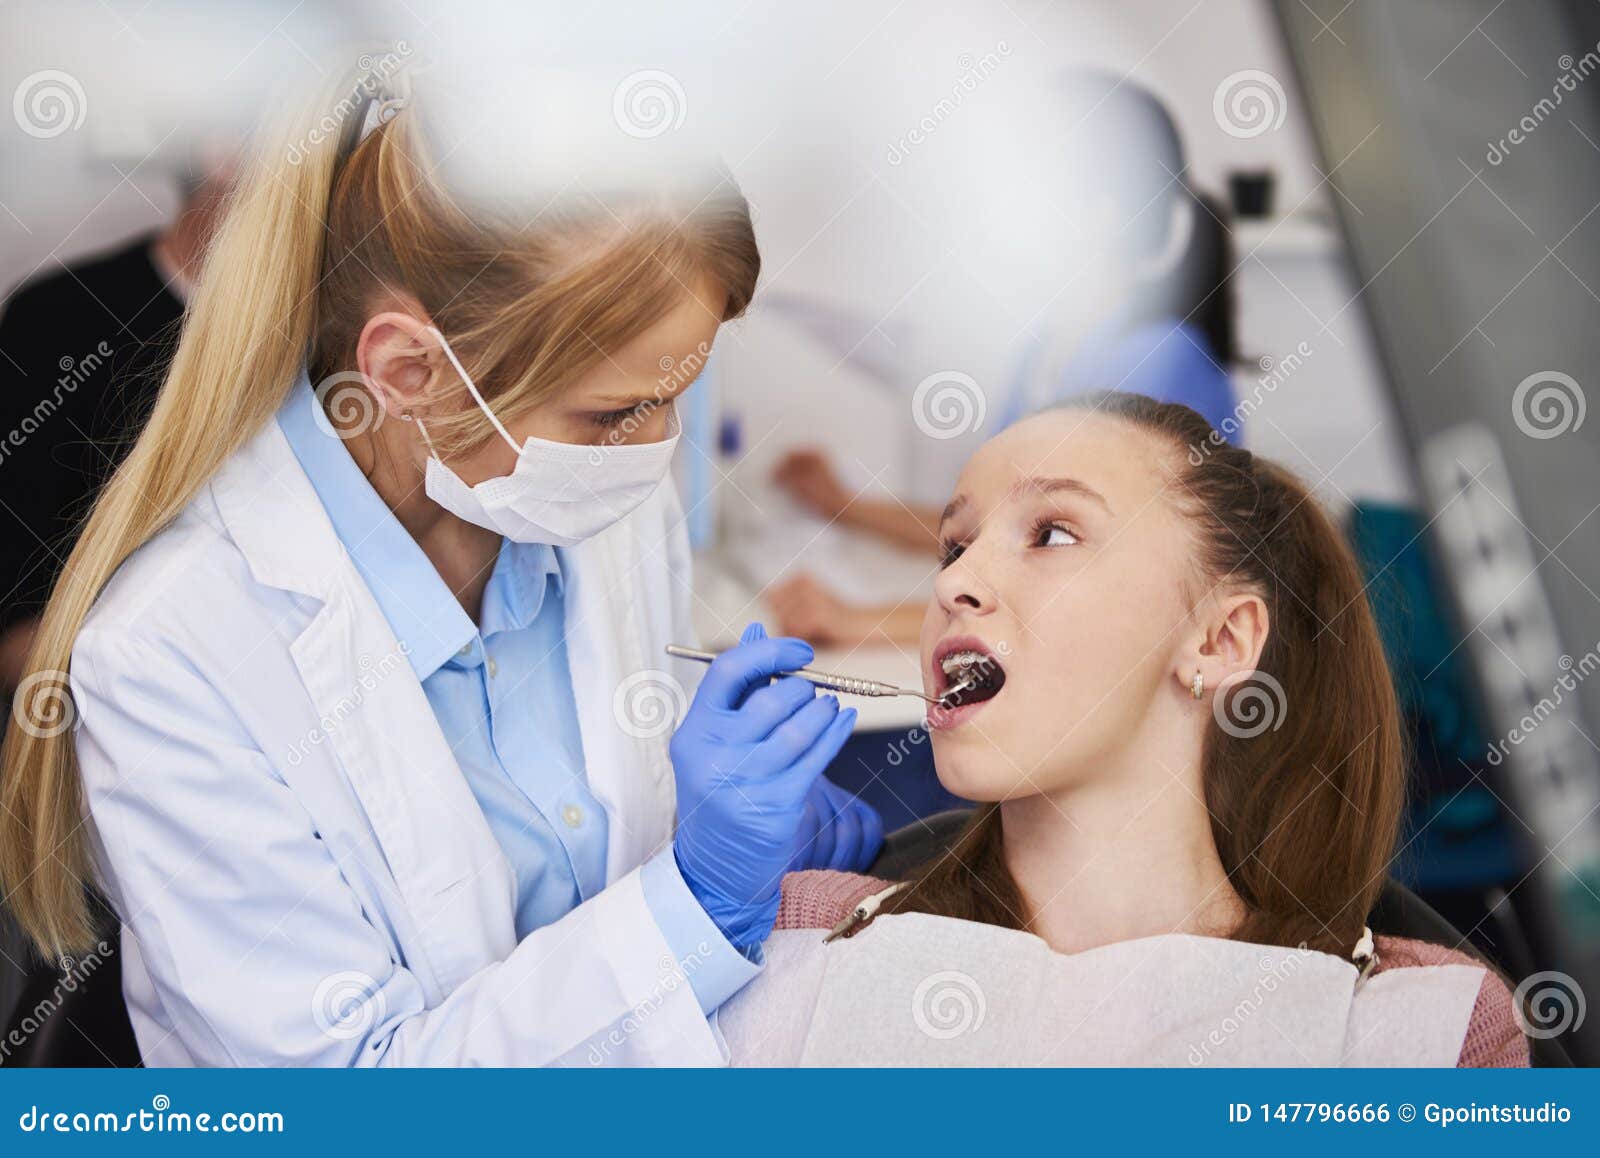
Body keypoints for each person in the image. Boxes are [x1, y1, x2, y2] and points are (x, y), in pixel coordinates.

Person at [0, 59, 882, 1066]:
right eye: (615, 411)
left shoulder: (593, 508)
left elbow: (596, 829)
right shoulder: (174, 655)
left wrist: (735, 830)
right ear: (408, 373)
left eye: (677, 391)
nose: (658, 446)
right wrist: (696, 902)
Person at [725, 393, 1527, 1066]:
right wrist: (695, 911)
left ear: (1218, 640)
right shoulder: (800, 930)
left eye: (1052, 534)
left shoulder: (1432, 1029)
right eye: (955, 546)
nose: (957, 582)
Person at [768, 76, 1240, 649]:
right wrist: (845, 507)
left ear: (1099, 215)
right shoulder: (1046, 350)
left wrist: (858, 621)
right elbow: (1001, 531)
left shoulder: (1158, 367)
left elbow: (1071, 592)